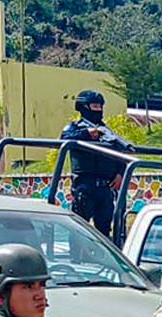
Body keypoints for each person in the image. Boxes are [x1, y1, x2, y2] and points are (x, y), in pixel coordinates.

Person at [60, 90, 126, 238]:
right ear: (83, 107)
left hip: (105, 186)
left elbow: (120, 153)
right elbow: (63, 140)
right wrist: (87, 134)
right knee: (79, 229)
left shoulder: (107, 130)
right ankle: (77, 257)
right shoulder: (75, 128)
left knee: (104, 230)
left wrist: (120, 173)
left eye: (100, 106)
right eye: (95, 106)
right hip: (84, 185)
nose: (99, 110)